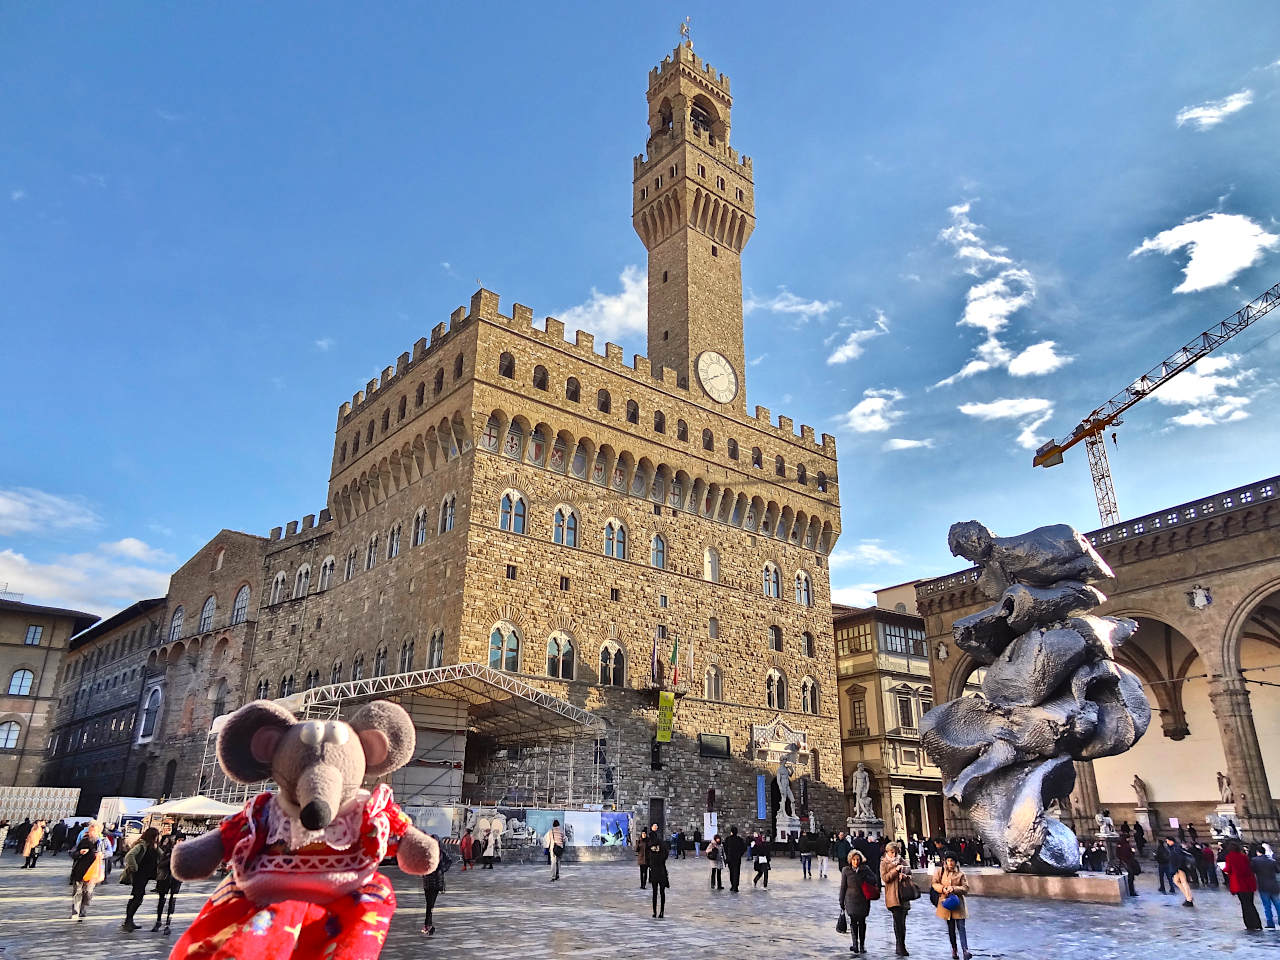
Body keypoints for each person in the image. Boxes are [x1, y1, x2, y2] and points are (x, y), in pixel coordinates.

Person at [932, 851, 972, 960]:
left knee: (961, 928)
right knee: (951, 929)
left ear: (955, 862)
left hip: (958, 905)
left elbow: (966, 888)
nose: (950, 863)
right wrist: (943, 889)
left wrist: (954, 888)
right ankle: (954, 950)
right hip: (946, 904)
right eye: (948, 861)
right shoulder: (940, 872)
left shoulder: (960, 874)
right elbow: (934, 883)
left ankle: (965, 950)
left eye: (952, 861)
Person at [120, 826, 160, 931]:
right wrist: (134, 867)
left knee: (138, 897)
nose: (157, 838)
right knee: (137, 897)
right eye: (156, 836)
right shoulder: (142, 845)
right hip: (139, 875)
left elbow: (162, 855)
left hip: (146, 875)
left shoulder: (153, 846)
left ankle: (129, 920)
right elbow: (129, 855)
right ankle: (128, 921)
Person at [68, 820, 109, 922]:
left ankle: (83, 909)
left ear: (98, 831)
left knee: (88, 892)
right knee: (77, 892)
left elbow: (110, 852)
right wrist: (80, 853)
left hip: (93, 872)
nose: (91, 833)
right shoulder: (83, 840)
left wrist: (101, 855)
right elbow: (73, 852)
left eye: (93, 831)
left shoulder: (103, 841)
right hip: (80, 870)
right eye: (90, 830)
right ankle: (75, 912)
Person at [840, 849, 878, 954]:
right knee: (853, 922)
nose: (856, 862)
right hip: (851, 900)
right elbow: (843, 887)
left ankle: (862, 945)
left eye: (857, 859)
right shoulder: (846, 870)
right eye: (854, 860)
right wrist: (841, 901)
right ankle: (855, 944)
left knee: (862, 922)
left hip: (863, 900)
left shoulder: (865, 869)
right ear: (850, 860)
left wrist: (866, 877)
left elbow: (874, 879)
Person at [881, 840, 912, 957]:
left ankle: (901, 944)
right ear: (887, 852)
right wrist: (895, 871)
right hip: (892, 896)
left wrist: (904, 875)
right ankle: (900, 945)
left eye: (895, 852)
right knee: (897, 921)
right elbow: (885, 878)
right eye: (891, 852)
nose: (893, 855)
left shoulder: (902, 861)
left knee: (902, 923)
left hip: (903, 896)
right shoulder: (884, 863)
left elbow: (909, 873)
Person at [1223, 841, 1263, 931]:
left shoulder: (1230, 857)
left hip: (1239, 884)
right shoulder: (1243, 856)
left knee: (1244, 905)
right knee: (1250, 904)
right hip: (1248, 884)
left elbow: (1228, 869)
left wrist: (1225, 870)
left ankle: (1249, 924)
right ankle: (1257, 923)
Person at [420, 833, 451, 935]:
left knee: (430, 904)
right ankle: (428, 925)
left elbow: (449, 861)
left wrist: (442, 870)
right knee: (429, 904)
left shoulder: (441, 853)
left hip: (437, 882)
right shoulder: (426, 853)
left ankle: (428, 925)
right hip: (428, 882)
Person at [152, 832, 182, 934]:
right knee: (162, 900)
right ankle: (158, 921)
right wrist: (172, 858)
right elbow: (160, 864)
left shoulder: (185, 851)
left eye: (183, 840)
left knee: (172, 901)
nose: (181, 842)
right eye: (179, 840)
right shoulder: (166, 850)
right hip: (165, 878)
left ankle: (168, 924)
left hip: (176, 879)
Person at [1252, 844, 1280, 929]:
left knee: (1267, 906)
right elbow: (1278, 870)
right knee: (1277, 904)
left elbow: (1252, 870)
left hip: (1263, 885)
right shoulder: (1272, 860)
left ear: (1257, 852)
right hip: (1274, 885)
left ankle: (1270, 923)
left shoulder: (1255, 860)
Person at [645, 826, 669, 918]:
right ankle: (657, 911)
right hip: (658, 870)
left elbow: (664, 854)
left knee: (658, 892)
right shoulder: (651, 846)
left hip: (658, 870)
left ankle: (659, 911)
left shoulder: (658, 845)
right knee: (658, 892)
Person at [724, 825, 748, 892]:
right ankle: (736, 886)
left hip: (730, 858)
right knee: (736, 872)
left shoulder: (728, 839)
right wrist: (740, 854)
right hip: (737, 858)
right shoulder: (739, 839)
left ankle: (733, 885)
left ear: (731, 832)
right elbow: (744, 848)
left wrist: (727, 855)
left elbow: (725, 848)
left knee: (731, 872)